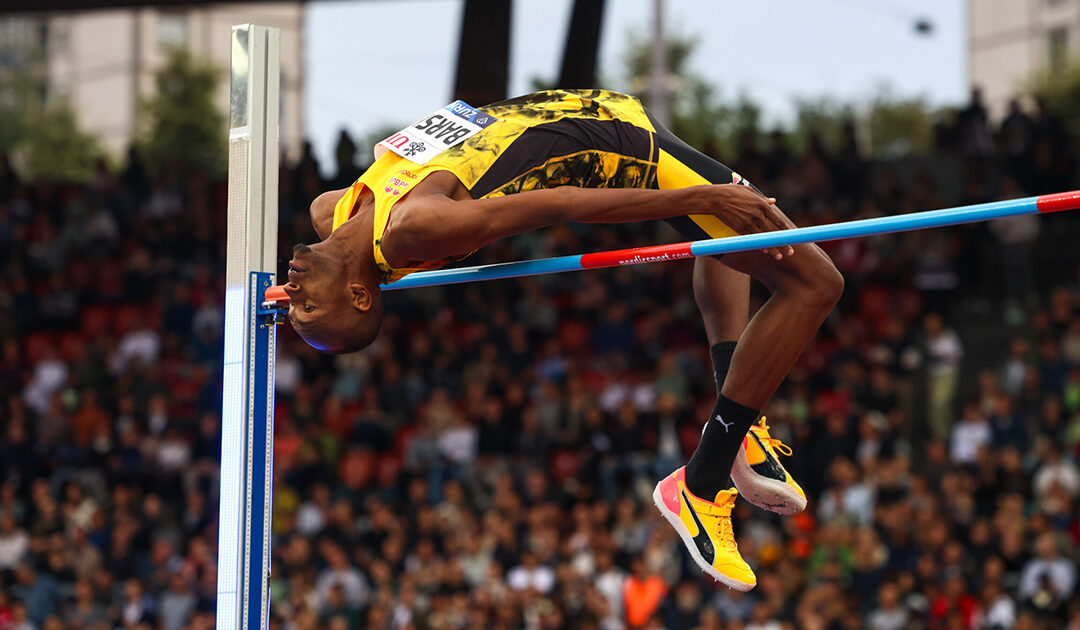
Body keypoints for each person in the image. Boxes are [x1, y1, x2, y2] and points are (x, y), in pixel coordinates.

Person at [286, 89, 843, 590]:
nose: (291, 291)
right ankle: (701, 482)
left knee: (725, 240)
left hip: (593, 109)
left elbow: (417, 171)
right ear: (360, 296)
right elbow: (564, 204)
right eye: (307, 306)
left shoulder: (331, 211)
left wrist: (707, 205)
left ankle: (741, 435)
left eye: (295, 306)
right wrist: (704, 199)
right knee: (815, 284)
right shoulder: (415, 230)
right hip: (615, 145)